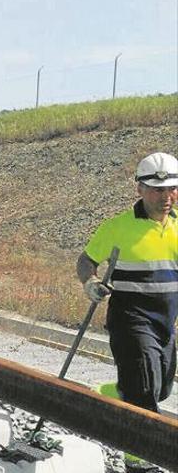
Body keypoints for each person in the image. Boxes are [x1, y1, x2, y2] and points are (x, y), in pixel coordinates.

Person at [77, 153, 177, 426]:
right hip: (130, 319)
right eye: (158, 190)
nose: (166, 196)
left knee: (162, 389)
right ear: (140, 189)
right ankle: (138, 459)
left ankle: (117, 392)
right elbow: (86, 260)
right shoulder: (117, 227)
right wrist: (91, 282)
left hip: (165, 324)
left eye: (172, 188)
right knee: (145, 392)